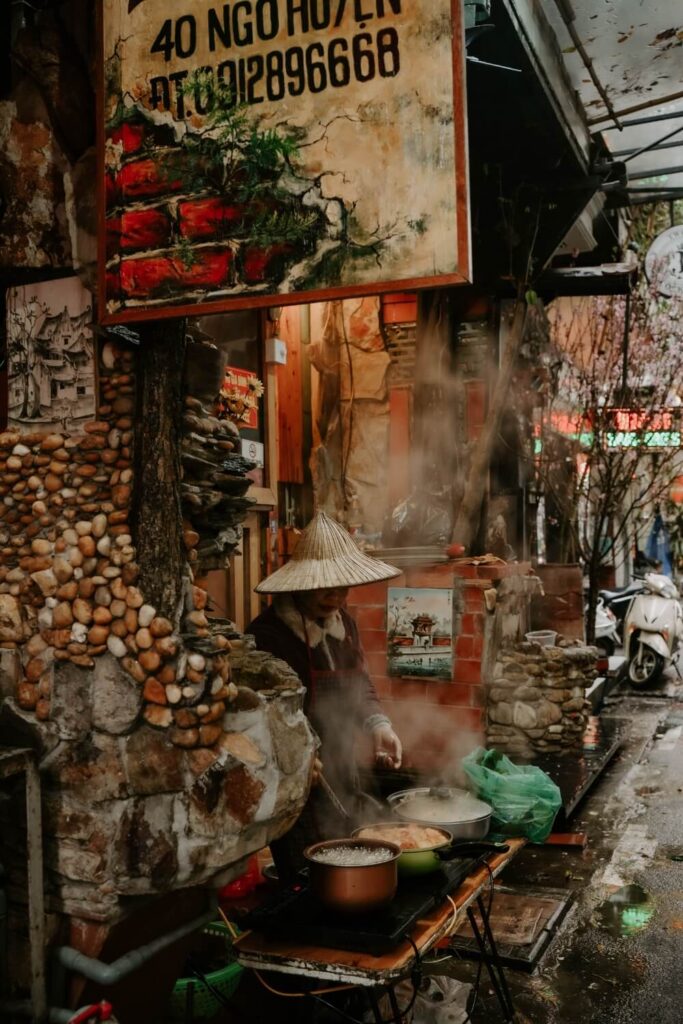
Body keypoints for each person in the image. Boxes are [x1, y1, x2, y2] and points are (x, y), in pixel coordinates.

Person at [248, 510, 403, 881]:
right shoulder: (267, 636)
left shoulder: (344, 625)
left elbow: (361, 684)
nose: (336, 597)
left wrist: (379, 724)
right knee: (306, 876)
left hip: (344, 769)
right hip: (295, 781)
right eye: (325, 587)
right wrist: (298, 757)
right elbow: (258, 717)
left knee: (349, 862)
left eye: (342, 587)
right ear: (301, 584)